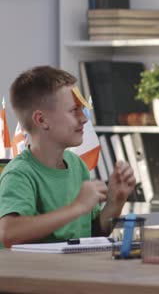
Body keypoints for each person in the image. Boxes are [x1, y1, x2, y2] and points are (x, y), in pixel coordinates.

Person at [0, 66, 135, 248]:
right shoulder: (19, 173)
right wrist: (76, 207)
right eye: (74, 110)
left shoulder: (76, 165)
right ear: (41, 120)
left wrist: (114, 202)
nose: (84, 119)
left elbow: (91, 233)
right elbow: (8, 233)